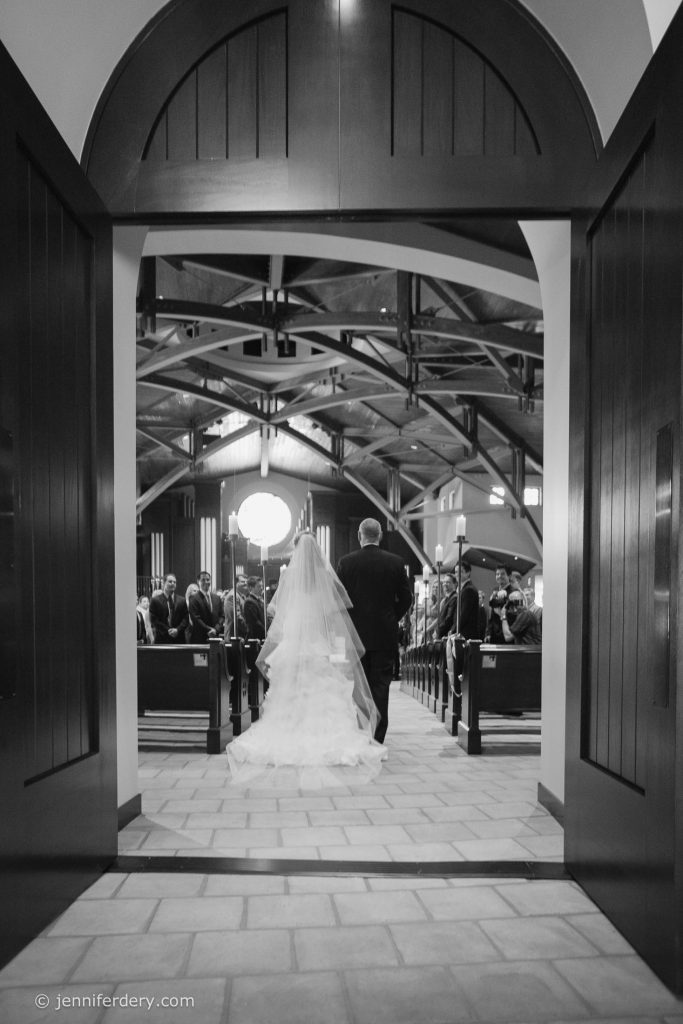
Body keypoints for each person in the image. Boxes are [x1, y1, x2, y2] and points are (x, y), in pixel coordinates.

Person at [226, 532, 386, 788]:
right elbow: (335, 617)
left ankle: (288, 733)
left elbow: (278, 613)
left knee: (291, 689)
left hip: (294, 641)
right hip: (318, 642)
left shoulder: (288, 576)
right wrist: (336, 651)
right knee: (322, 687)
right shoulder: (325, 577)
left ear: (297, 551)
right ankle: (326, 736)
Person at [336, 518, 413, 743]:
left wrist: (351, 621)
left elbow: (339, 599)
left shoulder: (346, 563)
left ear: (359, 535)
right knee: (381, 687)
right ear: (379, 535)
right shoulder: (396, 562)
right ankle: (377, 739)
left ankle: (361, 735)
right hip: (384, 635)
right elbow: (406, 598)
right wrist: (391, 617)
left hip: (356, 637)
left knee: (359, 688)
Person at [149, 573, 188, 643]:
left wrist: (177, 630)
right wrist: (168, 631)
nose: (173, 583)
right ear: (164, 583)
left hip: (179, 639)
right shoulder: (155, 600)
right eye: (170, 581)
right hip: (162, 639)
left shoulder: (182, 600)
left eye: (174, 582)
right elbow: (154, 620)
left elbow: (186, 618)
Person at [188, 570, 224, 642]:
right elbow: (196, 618)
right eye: (203, 580)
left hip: (215, 636)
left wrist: (216, 629)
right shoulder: (193, 598)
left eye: (208, 580)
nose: (206, 582)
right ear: (198, 581)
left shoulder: (217, 598)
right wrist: (209, 629)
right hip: (200, 637)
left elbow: (222, 616)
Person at [487, 566, 515, 643]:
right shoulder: (495, 592)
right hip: (494, 635)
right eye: (497, 574)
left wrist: (501, 613)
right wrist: (488, 632)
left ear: (509, 576)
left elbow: (513, 615)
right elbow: (491, 615)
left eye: (502, 574)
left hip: (506, 634)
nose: (499, 576)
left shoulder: (513, 592)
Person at [223, 574, 248, 639]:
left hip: (240, 635)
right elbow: (236, 617)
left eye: (246, 582)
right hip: (234, 636)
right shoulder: (232, 596)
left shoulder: (241, 596)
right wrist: (248, 629)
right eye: (243, 582)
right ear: (235, 583)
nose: (245, 583)